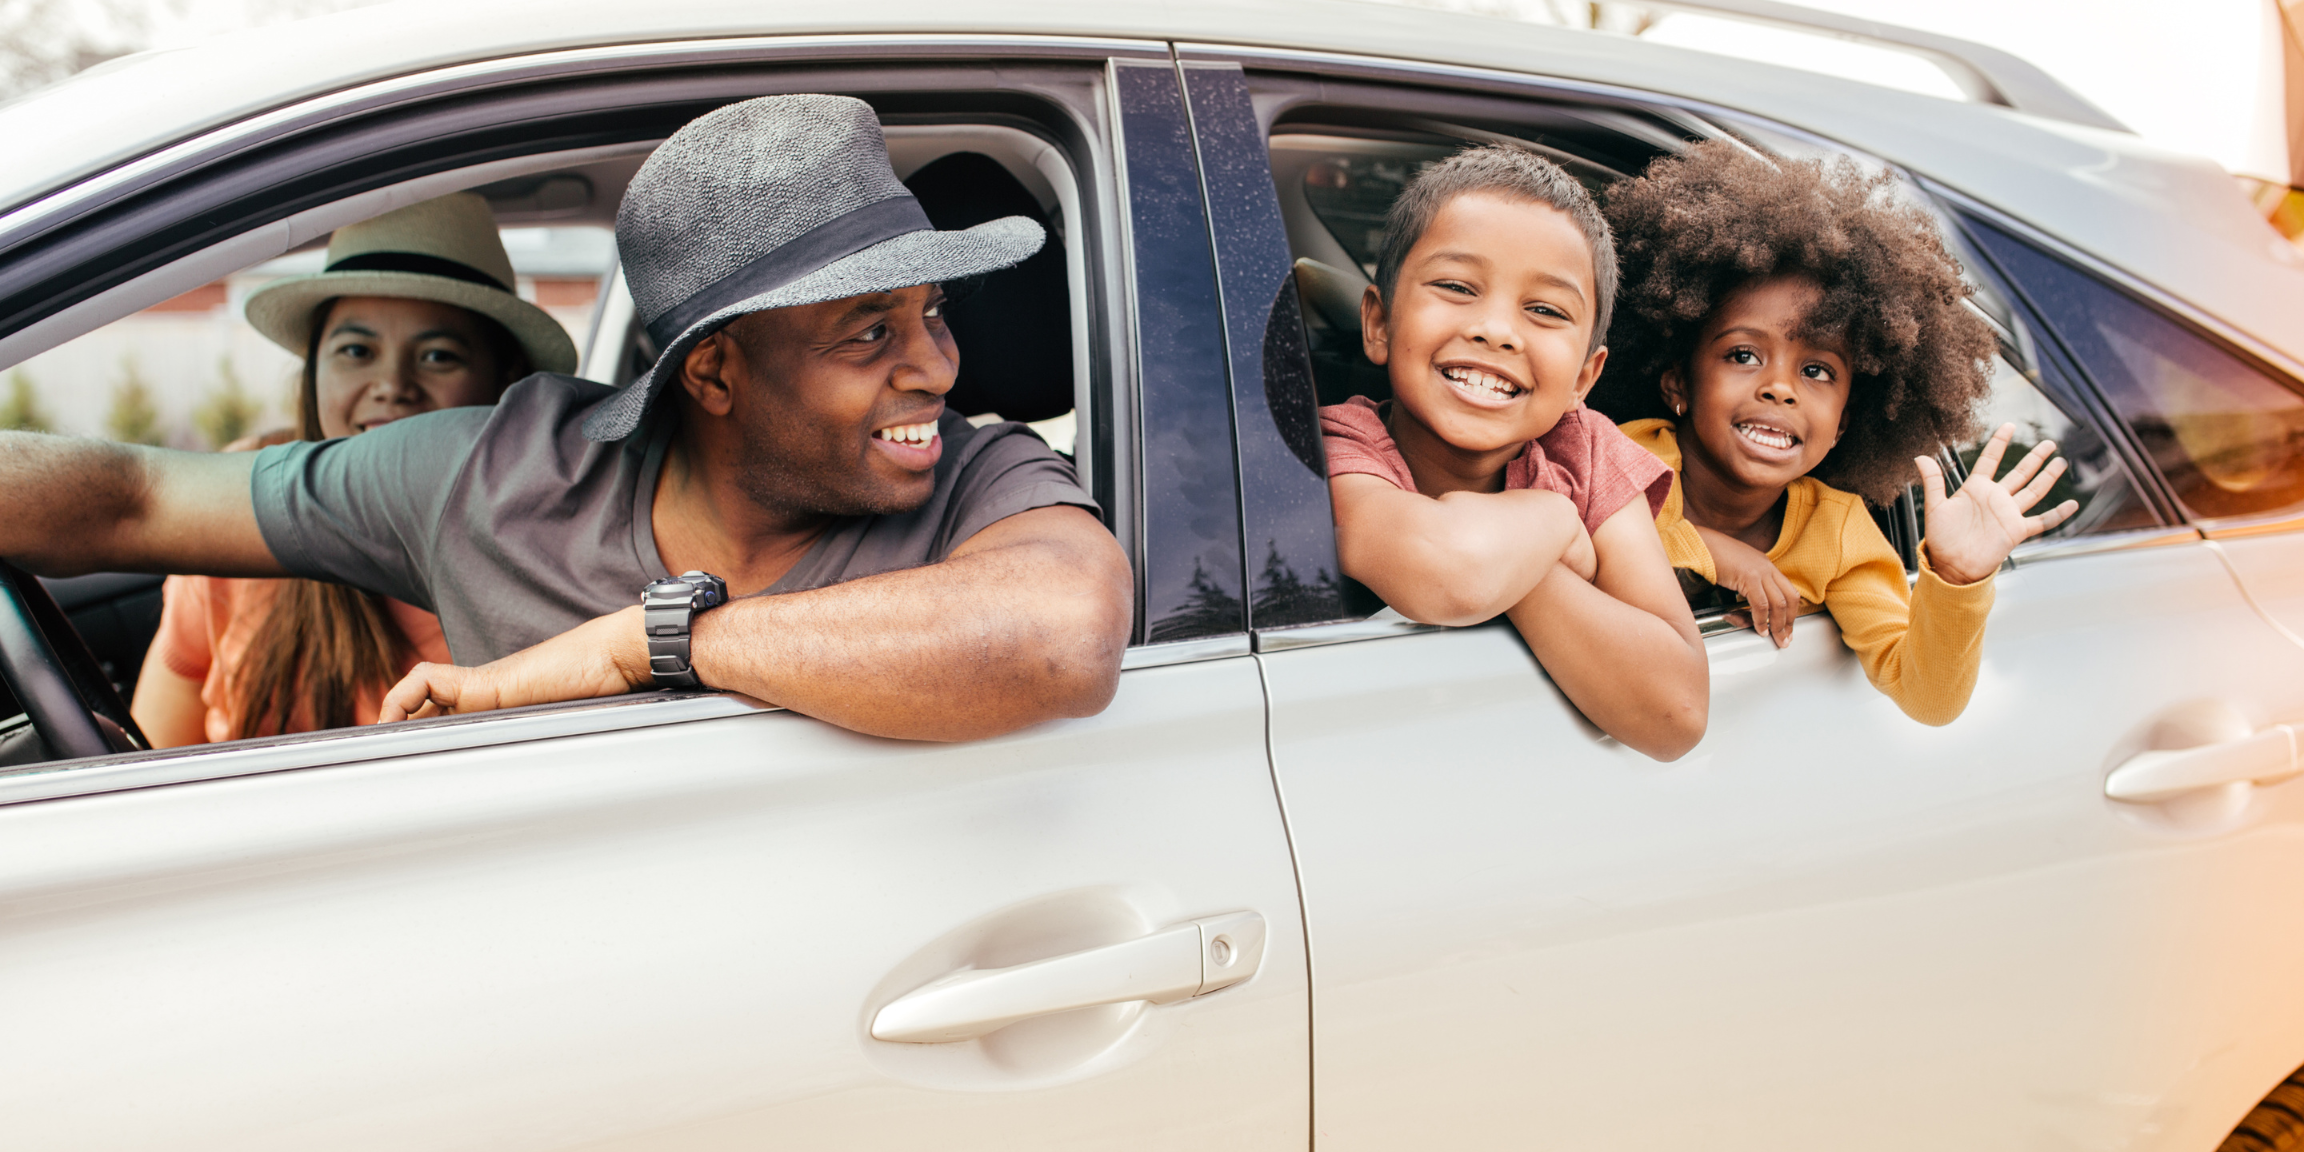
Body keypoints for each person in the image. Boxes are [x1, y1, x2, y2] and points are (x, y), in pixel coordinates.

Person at [2, 93, 1132, 742]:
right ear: (715, 373)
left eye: (935, 313)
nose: (938, 365)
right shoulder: (489, 477)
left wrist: (639, 643)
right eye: (869, 330)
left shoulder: (982, 482)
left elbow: (1063, 632)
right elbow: (134, 496)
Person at [1596, 140, 2078, 726]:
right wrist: (1720, 555)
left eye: (1817, 371)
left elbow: (1928, 698)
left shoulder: (1839, 533)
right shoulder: (1620, 452)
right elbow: (1571, 526)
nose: (1781, 388)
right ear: (1679, 383)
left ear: (1844, 424)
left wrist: (1956, 578)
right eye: (1744, 355)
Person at [129, 193, 575, 746]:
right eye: (357, 351)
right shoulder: (238, 503)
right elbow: (147, 768)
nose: (392, 385)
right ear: (313, 371)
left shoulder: (551, 547)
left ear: (505, 382)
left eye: (438, 355)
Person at [1319, 146, 1707, 762]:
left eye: (1545, 310)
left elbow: (1677, 713)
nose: (1497, 329)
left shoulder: (1585, 448)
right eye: (1455, 286)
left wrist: (1523, 564)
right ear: (1380, 324)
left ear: (1584, 377)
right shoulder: (1339, 446)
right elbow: (1448, 571)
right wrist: (1554, 523)